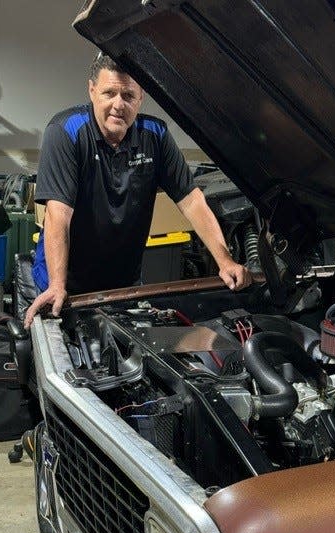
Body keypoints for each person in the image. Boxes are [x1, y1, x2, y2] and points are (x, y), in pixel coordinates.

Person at [24, 53, 251, 328]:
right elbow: (58, 213)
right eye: (109, 93)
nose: (118, 105)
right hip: (63, 282)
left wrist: (225, 261)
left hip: (123, 281)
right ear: (92, 90)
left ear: (141, 97)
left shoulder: (155, 135)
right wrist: (57, 285)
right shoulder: (65, 132)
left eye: (128, 95)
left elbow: (192, 201)